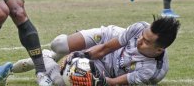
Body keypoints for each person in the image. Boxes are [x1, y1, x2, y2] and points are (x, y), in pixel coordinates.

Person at [12, 16, 180, 86]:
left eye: (146, 42)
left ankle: (45, 59)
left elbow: (113, 82)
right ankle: (54, 55)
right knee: (59, 44)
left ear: (159, 49)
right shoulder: (139, 28)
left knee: (61, 81)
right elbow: (106, 48)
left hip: (108, 70)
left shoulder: (152, 71)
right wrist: (80, 55)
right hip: (107, 38)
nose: (140, 41)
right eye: (142, 36)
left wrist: (94, 79)